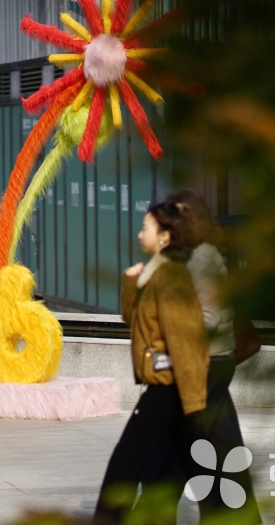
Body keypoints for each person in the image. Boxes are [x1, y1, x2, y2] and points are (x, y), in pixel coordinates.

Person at [142, 188, 260, 523]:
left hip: (198, 367)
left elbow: (206, 318)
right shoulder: (196, 255)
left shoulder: (197, 258)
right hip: (205, 367)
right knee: (200, 450)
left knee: (178, 452)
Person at [93, 200, 210, 525]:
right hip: (167, 385)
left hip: (168, 386)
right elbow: (135, 321)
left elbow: (185, 342)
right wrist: (131, 284)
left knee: (126, 460)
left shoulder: (170, 278)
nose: (139, 233)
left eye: (146, 227)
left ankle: (107, 519)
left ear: (164, 237)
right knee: (194, 462)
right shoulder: (156, 274)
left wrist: (193, 400)